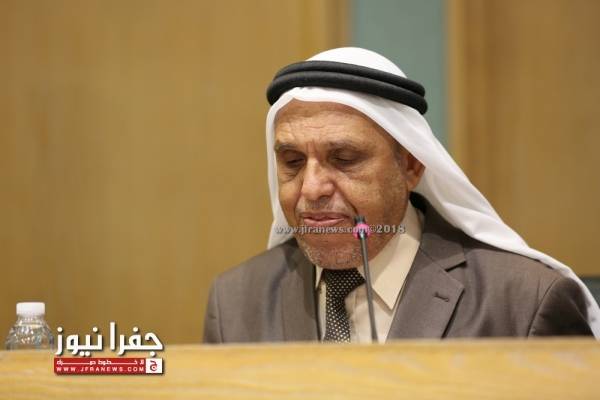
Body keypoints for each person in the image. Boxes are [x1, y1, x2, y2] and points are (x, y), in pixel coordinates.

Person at [203, 47, 599, 343]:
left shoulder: (525, 302)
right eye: (292, 162)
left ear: (410, 166)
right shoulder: (235, 301)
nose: (311, 189)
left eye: (344, 159)